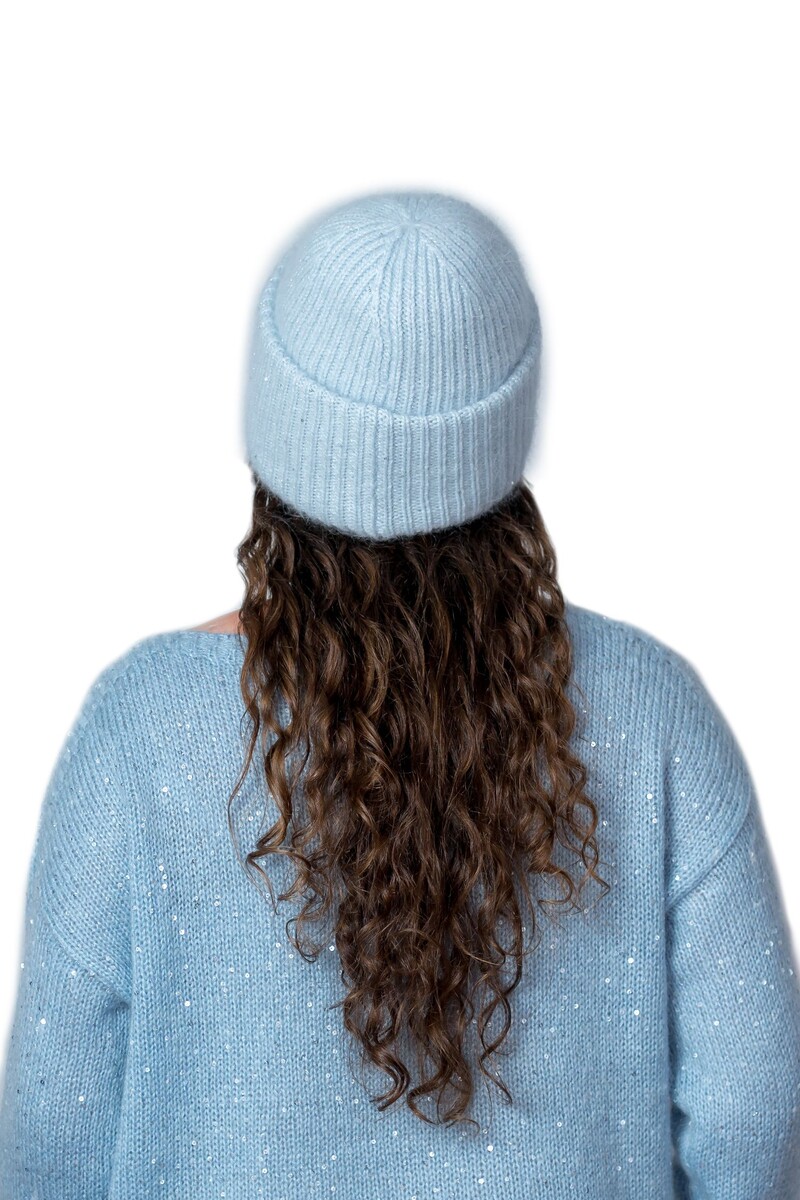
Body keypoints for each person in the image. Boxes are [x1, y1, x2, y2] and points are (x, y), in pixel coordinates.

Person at [0, 189, 797, 1199]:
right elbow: (754, 1110)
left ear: (277, 433)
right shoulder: (655, 716)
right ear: (502, 433)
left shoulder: (140, 728)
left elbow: (54, 1133)